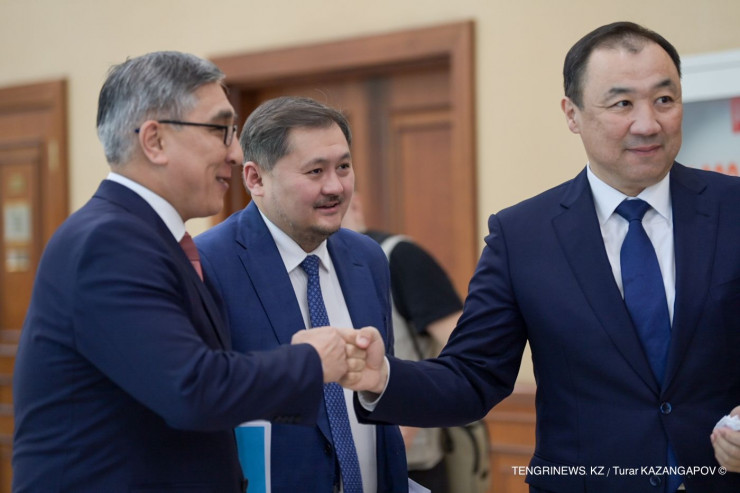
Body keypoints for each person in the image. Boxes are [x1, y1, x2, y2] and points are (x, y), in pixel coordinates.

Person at [349, 21, 740, 493]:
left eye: (664, 99)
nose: (648, 123)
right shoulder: (522, 236)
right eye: (622, 104)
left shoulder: (733, 208)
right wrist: (384, 378)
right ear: (572, 114)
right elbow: (473, 375)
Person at [12, 52, 373, 493]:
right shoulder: (109, 242)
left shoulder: (148, 238)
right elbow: (193, 388)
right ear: (155, 141)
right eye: (221, 130)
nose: (235, 152)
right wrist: (312, 361)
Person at [195, 96, 408, 492]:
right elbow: (202, 402)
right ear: (255, 179)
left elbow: (378, 391)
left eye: (343, 167)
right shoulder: (208, 264)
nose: (336, 187)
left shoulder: (368, 258)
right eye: (315, 171)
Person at [342, 193, 462, 492]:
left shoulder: (401, 257)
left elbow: (462, 348)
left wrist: (413, 411)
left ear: (356, 204)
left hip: (412, 463)